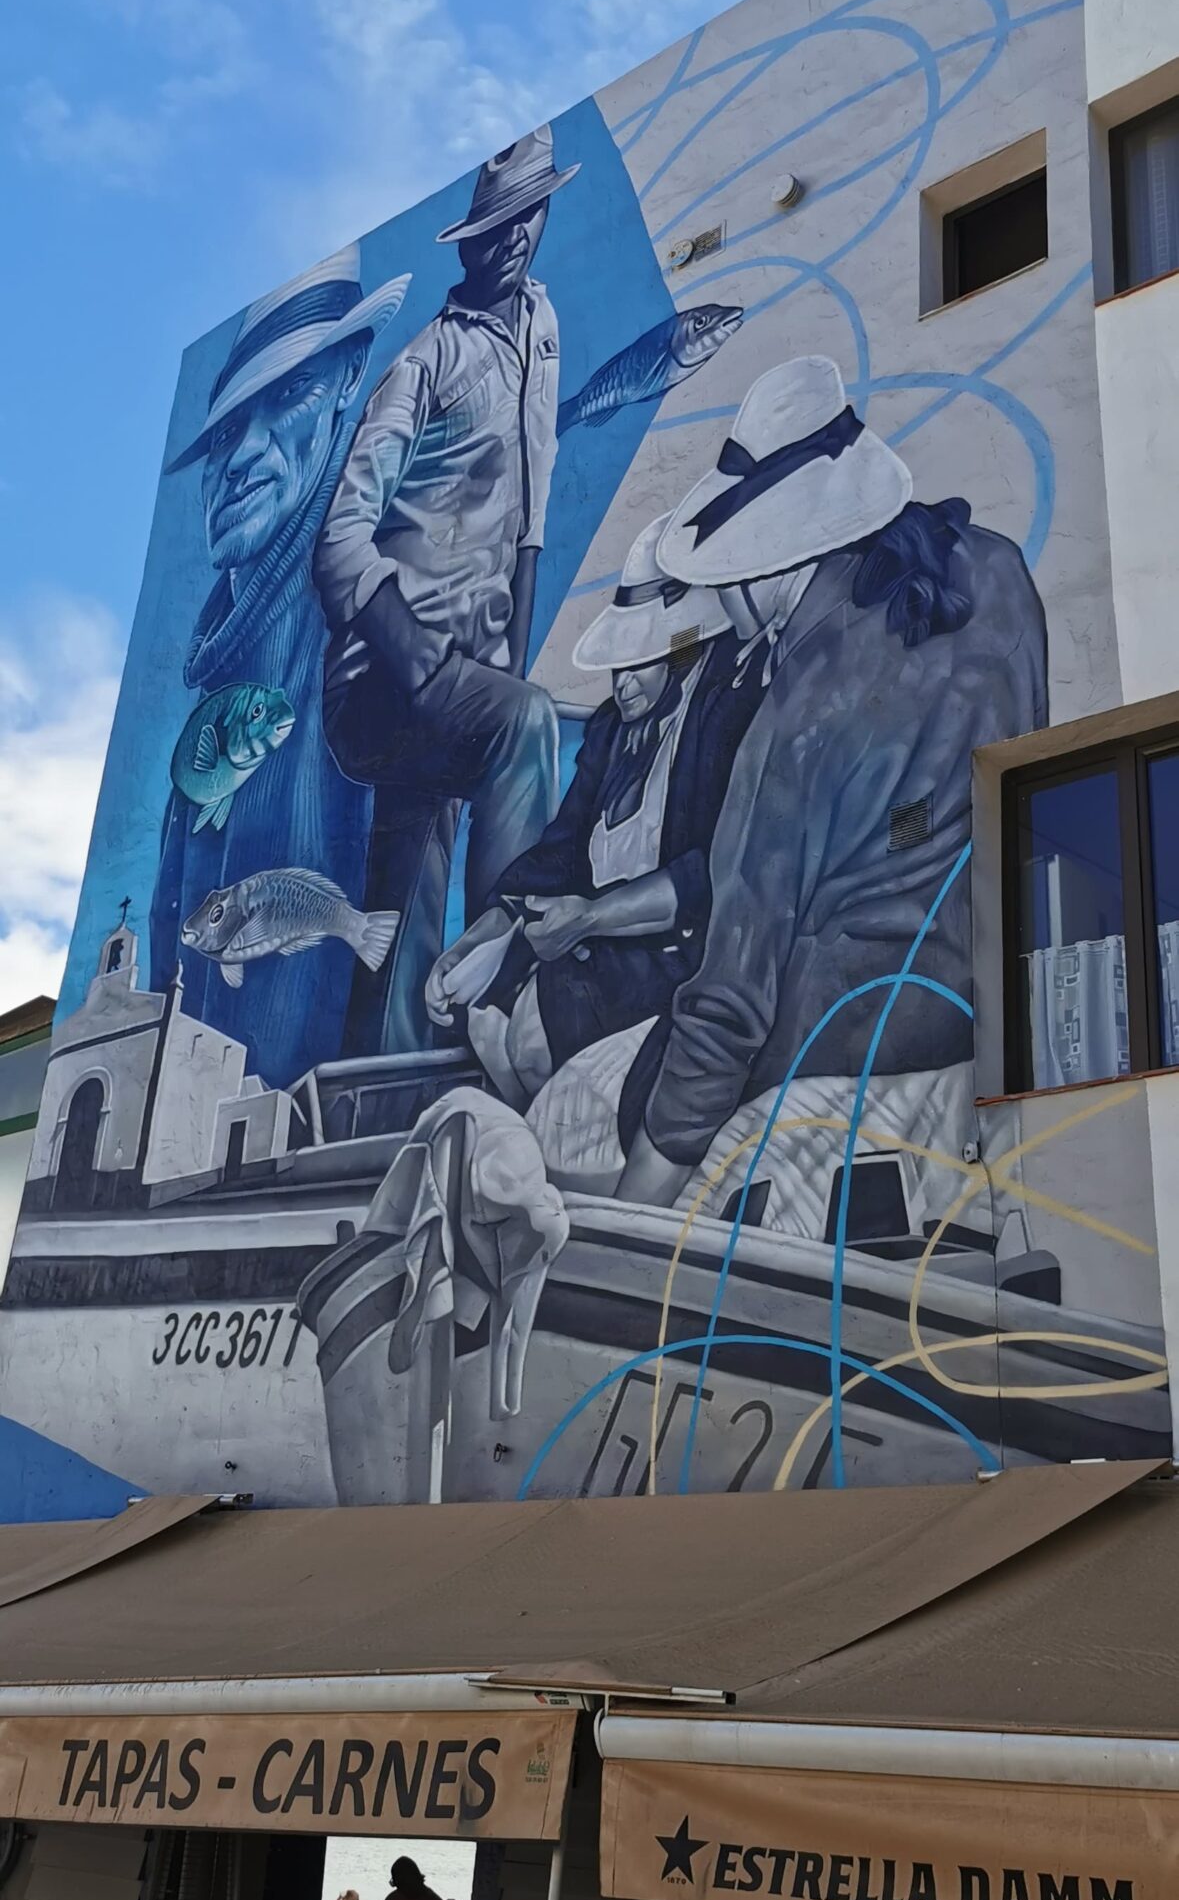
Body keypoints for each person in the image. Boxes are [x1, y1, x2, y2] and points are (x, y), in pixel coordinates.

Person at [618, 354, 1049, 1205]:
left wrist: (625, 1219)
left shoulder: (796, 721)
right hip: (974, 1014)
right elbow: (944, 807)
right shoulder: (998, 571)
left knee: (630, 1096)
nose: (719, 608)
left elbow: (729, 1006)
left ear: (762, 562)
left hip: (839, 1036)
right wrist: (884, 844)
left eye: (717, 581)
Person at [314, 127, 580, 1054]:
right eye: (497, 224)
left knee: (404, 891)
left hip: (464, 671)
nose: (515, 237)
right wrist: (419, 656)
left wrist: (506, 660)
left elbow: (531, 519)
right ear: (467, 241)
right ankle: (502, 998)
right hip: (382, 679)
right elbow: (339, 536)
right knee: (522, 725)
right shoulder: (424, 364)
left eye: (530, 214)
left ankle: (380, 1078)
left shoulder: (542, 326)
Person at [151, 244, 411, 1083]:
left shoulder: (337, 609)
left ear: (348, 379)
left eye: (290, 394)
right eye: (226, 430)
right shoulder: (227, 645)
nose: (244, 455)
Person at [425, 516, 763, 1103]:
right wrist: (480, 936)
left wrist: (591, 917)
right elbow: (560, 852)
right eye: (617, 667)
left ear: (679, 655)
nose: (623, 685)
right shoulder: (611, 731)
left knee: (531, 1038)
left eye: (639, 665)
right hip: (600, 947)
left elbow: (713, 872)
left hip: (679, 956)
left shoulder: (718, 723)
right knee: (484, 1022)